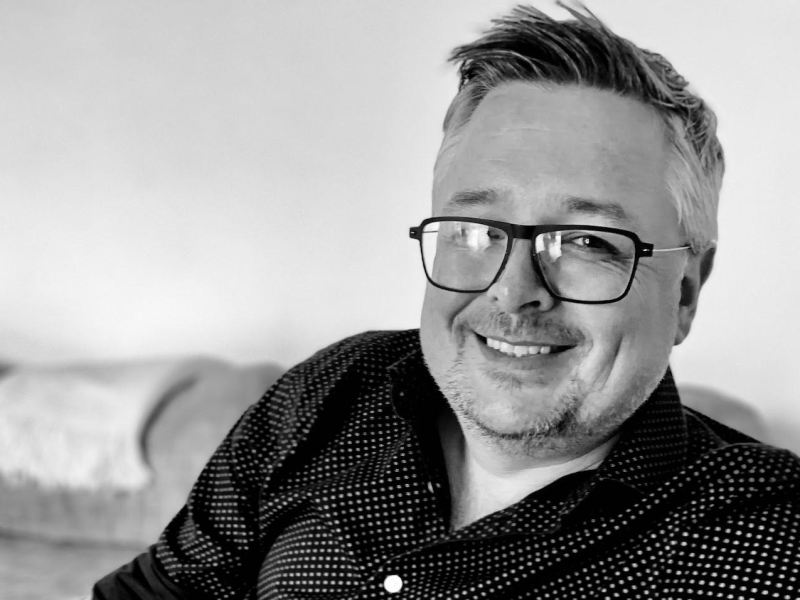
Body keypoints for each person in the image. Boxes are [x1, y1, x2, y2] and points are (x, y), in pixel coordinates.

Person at [93, 4, 800, 599]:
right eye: (476, 230)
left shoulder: (768, 547)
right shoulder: (329, 393)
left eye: (587, 241)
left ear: (686, 291)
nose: (514, 291)